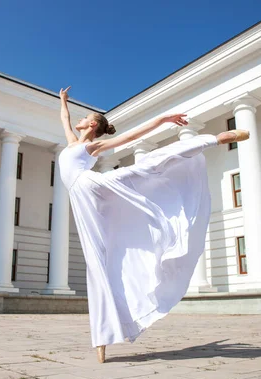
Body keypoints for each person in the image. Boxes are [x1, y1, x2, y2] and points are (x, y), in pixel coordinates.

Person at [57, 86, 249, 363]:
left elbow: (130, 137)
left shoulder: (91, 146)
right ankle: (103, 337)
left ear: (93, 125)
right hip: (81, 199)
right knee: (97, 260)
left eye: (84, 117)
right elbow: (64, 119)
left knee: (143, 169)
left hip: (91, 187)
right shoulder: (73, 143)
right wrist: (63, 100)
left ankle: (213, 140)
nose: (77, 119)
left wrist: (162, 120)